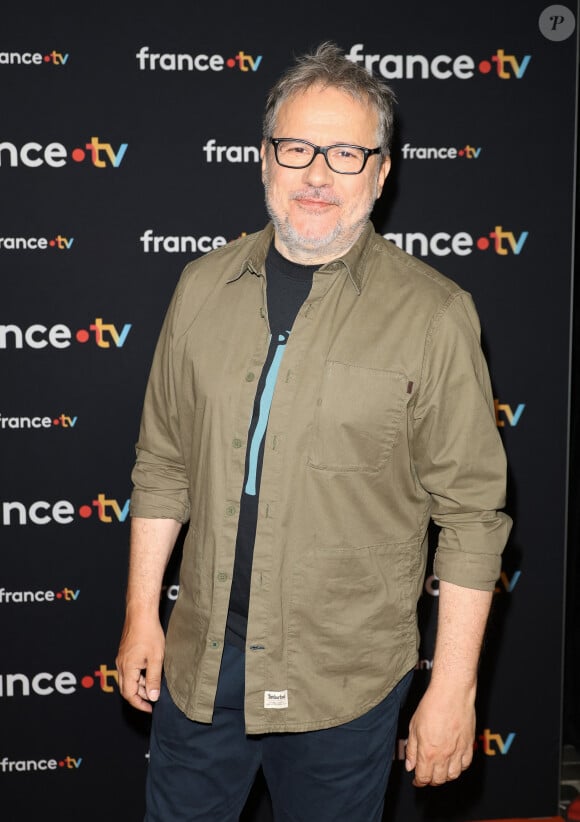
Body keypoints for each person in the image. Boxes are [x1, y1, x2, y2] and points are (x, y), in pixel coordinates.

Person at [116, 40, 512, 822]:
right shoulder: (200, 287)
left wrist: (453, 689)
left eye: (346, 152)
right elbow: (162, 465)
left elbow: (471, 518)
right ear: (265, 159)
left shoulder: (433, 315)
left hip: (344, 685)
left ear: (382, 171)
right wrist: (140, 617)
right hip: (199, 672)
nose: (318, 175)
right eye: (296, 148)